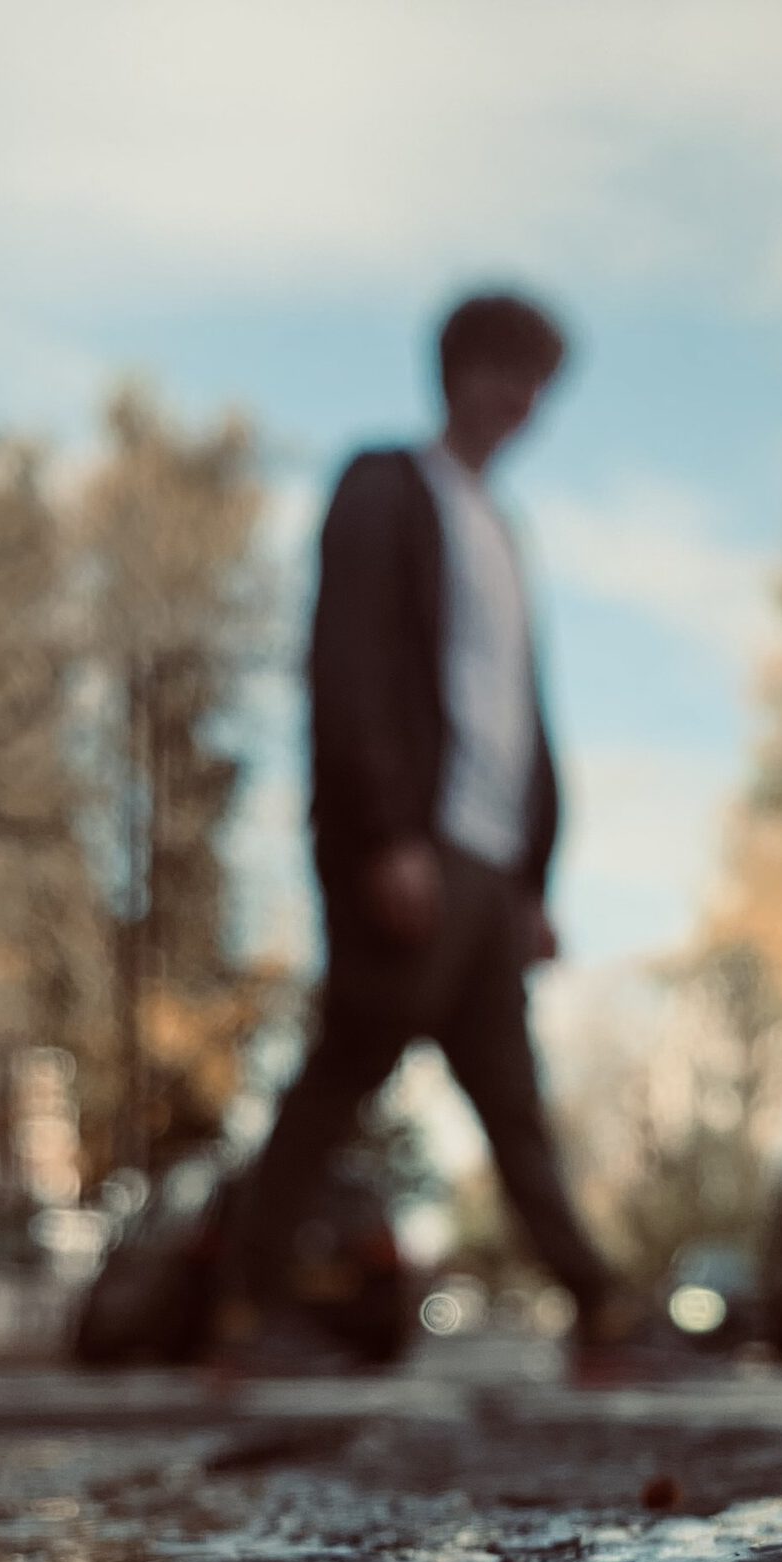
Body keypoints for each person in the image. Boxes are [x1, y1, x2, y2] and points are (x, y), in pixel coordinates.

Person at [225, 289, 658, 1379]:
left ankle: (600, 1310)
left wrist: (531, 877)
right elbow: (350, 663)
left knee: (512, 1102)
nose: (526, 404)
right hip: (413, 850)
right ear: (458, 371)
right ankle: (233, 1309)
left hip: (489, 868)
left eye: (539, 385)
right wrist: (384, 836)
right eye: (509, 375)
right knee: (344, 1072)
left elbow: (520, 712)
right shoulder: (386, 487)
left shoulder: (507, 531)